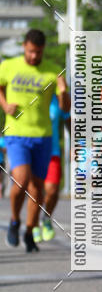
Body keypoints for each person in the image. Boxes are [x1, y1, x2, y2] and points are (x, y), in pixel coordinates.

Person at [0, 29, 70, 252]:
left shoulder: (52, 71)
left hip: (43, 136)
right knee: (20, 180)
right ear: (24, 47)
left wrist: (63, 90)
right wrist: (4, 105)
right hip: (16, 134)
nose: (33, 57)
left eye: (37, 53)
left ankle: (30, 230)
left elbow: (65, 109)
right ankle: (14, 220)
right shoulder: (8, 66)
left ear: (43, 50)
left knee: (38, 188)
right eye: (30, 52)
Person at [31, 94, 70, 243]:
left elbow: (68, 119)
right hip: (32, 150)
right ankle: (33, 224)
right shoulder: (29, 94)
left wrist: (77, 143)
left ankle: (46, 218)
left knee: (52, 190)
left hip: (52, 152)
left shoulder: (56, 98)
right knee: (36, 191)